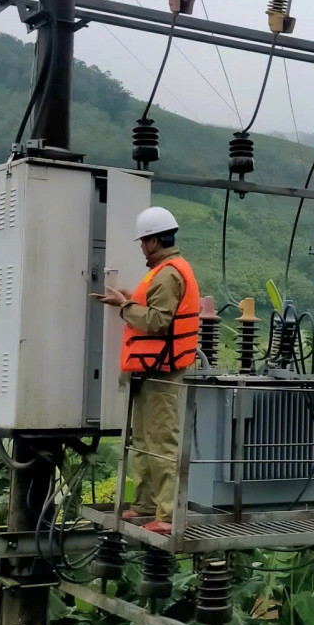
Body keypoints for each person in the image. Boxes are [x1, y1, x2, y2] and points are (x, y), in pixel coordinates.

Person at [101, 205, 199, 533]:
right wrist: (131, 300)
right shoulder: (162, 271)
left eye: (144, 242)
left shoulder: (170, 273)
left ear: (155, 241)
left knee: (161, 441)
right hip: (149, 370)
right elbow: (153, 308)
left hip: (163, 371)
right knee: (142, 439)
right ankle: (144, 505)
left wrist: (124, 306)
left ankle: (169, 515)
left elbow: (158, 321)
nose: (142, 248)